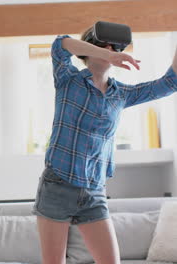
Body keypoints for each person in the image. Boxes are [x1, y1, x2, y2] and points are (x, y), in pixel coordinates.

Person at [33, 24, 177, 264]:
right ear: (89, 50)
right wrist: (110, 55)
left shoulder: (121, 94)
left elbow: (170, 83)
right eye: (103, 45)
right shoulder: (68, 80)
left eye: (115, 46)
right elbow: (61, 43)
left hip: (94, 192)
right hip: (57, 185)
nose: (111, 49)